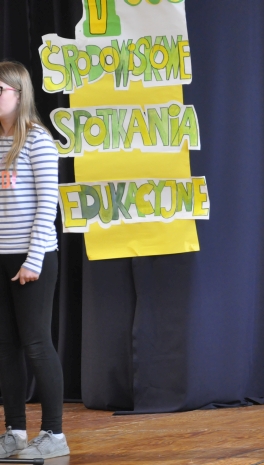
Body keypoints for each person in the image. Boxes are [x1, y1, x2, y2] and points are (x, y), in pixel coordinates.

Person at [0, 61, 69, 459]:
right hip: (1, 256)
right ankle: (14, 431)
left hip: (32, 259)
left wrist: (33, 259)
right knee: (5, 345)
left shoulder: (38, 140)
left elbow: (47, 205)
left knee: (37, 343)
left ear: (19, 93)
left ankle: (54, 434)